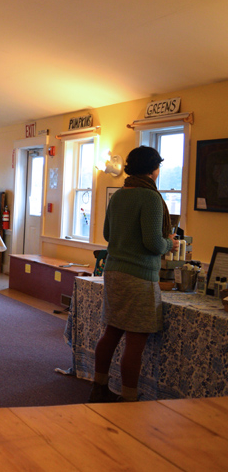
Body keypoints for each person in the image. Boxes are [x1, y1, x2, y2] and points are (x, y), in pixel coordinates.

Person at [89, 145, 178, 403]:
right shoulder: (150, 198)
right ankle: (128, 399)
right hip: (139, 276)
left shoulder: (119, 195)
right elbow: (153, 242)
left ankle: (99, 387)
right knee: (136, 340)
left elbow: (107, 235)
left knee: (112, 333)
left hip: (114, 271)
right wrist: (169, 244)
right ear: (153, 169)